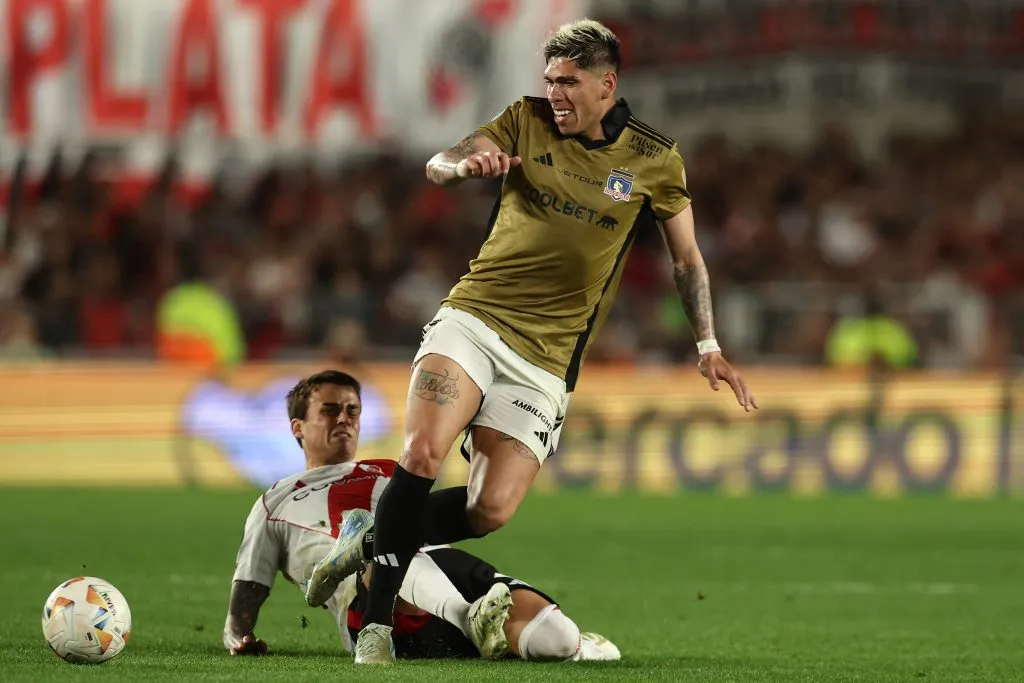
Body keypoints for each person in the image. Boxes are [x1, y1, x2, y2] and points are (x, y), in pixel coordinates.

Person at [307, 19, 759, 664]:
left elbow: (686, 259)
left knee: (491, 508)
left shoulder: (655, 158)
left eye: (569, 82)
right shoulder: (524, 120)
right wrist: (466, 164)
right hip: (474, 320)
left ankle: (369, 535)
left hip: (545, 360)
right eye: (549, 81)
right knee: (424, 450)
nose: (555, 94)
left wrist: (707, 342)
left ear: (607, 84)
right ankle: (375, 626)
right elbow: (440, 161)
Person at [224, 369, 619, 662]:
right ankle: (467, 617)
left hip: (443, 565)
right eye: (330, 411)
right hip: (376, 608)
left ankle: (573, 645)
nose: (344, 418)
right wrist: (239, 638)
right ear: (297, 427)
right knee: (389, 545)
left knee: (556, 640)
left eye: (352, 410)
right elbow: (247, 591)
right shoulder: (274, 502)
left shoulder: (391, 469)